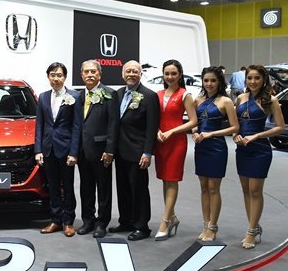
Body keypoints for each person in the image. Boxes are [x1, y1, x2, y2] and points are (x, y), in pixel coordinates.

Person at [234, 64, 285, 249]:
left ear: (264, 80)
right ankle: (254, 227)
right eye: (250, 78)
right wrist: (235, 135)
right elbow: (236, 125)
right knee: (245, 190)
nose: (253, 81)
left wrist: (257, 135)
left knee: (255, 190)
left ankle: (250, 231)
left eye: (257, 78)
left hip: (260, 150)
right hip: (242, 149)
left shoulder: (271, 100)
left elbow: (280, 127)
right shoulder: (240, 98)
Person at [110, 60, 160, 241]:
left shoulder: (149, 96)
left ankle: (142, 226)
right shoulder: (117, 94)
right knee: (122, 188)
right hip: (120, 151)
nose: (131, 74)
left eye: (135, 72)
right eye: (128, 71)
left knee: (139, 190)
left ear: (140, 75)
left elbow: (152, 127)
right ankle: (126, 221)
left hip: (138, 151)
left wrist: (147, 152)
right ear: (123, 74)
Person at [192, 66, 239, 241]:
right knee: (203, 187)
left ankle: (213, 226)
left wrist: (211, 134)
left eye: (213, 80)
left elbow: (234, 127)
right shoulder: (198, 100)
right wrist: (195, 132)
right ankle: (205, 224)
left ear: (219, 82)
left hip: (217, 147)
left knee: (213, 188)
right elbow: (194, 123)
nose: (209, 84)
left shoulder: (225, 101)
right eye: (206, 80)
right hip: (201, 147)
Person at [153, 60, 198, 241]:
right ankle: (172, 217)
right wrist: (157, 130)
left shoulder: (185, 94)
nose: (170, 77)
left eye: (173, 73)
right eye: (167, 73)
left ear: (180, 75)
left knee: (172, 180)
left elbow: (193, 121)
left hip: (176, 141)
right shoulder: (158, 94)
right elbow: (154, 118)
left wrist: (171, 131)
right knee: (164, 180)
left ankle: (165, 222)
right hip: (160, 141)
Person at [35, 62, 82, 237]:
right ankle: (55, 220)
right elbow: (39, 126)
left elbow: (77, 126)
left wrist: (74, 152)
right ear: (48, 77)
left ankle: (68, 221)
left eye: (59, 75)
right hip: (48, 149)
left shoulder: (74, 96)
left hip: (66, 148)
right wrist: (38, 150)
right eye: (53, 75)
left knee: (68, 186)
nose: (56, 78)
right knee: (53, 186)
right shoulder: (43, 97)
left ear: (65, 77)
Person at [75, 60, 119, 238]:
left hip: (102, 151)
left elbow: (113, 125)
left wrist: (110, 150)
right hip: (82, 150)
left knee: (103, 189)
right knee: (85, 188)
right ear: (81, 75)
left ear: (99, 74)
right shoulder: (78, 96)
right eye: (86, 72)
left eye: (93, 71)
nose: (90, 75)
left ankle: (102, 223)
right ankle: (88, 221)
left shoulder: (109, 94)